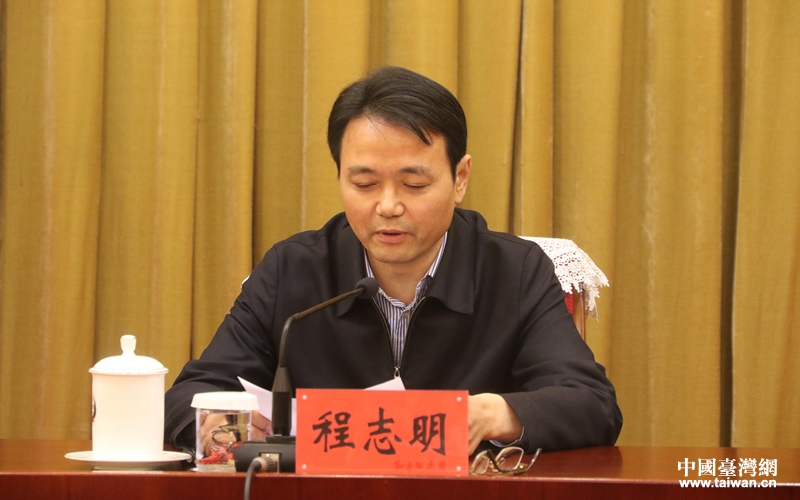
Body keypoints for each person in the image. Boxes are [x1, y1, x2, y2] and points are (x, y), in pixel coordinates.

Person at [165, 66, 622, 454]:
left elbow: (591, 404)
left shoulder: (514, 271)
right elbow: (188, 395)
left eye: (414, 184)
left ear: (460, 178)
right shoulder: (294, 269)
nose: (387, 206)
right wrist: (218, 425)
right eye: (364, 184)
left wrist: (490, 413)